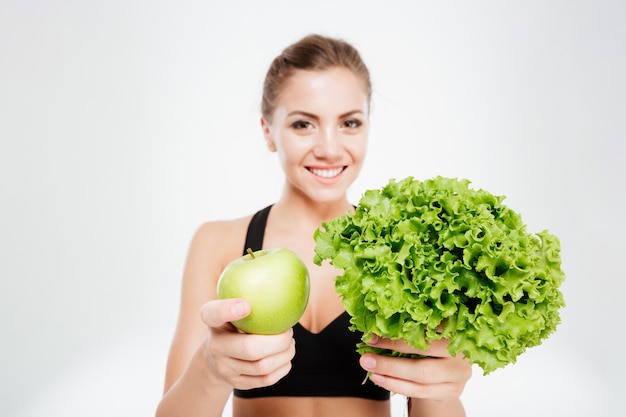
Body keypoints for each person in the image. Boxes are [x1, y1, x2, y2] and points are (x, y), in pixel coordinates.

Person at [156, 34, 472, 417]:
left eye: (349, 123)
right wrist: (211, 367)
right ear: (268, 131)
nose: (329, 148)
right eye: (303, 124)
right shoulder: (220, 243)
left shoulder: (404, 251)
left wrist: (441, 390)